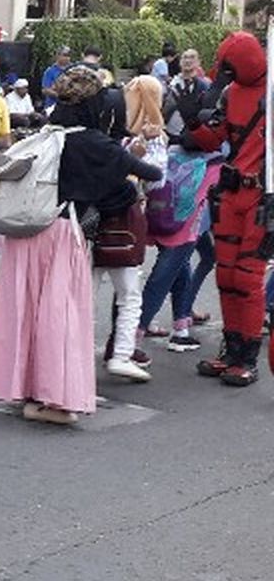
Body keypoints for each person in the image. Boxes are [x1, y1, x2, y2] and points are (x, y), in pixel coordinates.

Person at [0, 66, 162, 424]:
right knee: (60, 315)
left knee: (21, 312)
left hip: (26, 231)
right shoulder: (97, 144)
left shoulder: (45, 135)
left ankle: (19, 386)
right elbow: (152, 174)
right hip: (61, 232)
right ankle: (53, 399)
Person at [182, 31, 271, 386]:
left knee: (247, 278)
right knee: (227, 276)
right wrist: (192, 122)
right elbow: (212, 139)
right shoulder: (231, 94)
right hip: (233, 194)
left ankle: (246, 356)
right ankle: (231, 350)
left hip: (262, 197)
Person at [102, 74, 167, 381]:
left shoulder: (105, 128)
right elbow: (156, 178)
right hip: (127, 217)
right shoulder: (149, 137)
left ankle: (73, 351)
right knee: (129, 293)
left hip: (93, 217)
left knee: (87, 289)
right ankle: (122, 353)